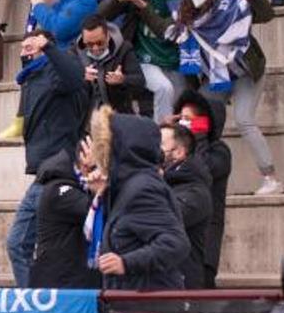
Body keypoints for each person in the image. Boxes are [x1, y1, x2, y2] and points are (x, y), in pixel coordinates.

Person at [166, 0, 284, 194]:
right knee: (195, 118)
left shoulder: (233, 7)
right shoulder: (188, 15)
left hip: (245, 73)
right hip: (216, 77)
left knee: (244, 120)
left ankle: (270, 177)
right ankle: (195, 170)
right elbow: (166, 30)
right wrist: (142, 7)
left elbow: (267, 14)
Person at [6, 30, 87, 287]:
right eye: (23, 48)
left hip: (58, 174)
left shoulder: (57, 72)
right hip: (42, 174)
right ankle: (34, 301)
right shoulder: (32, 78)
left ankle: (37, 304)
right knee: (18, 244)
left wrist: (51, 49)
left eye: (31, 47)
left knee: (30, 246)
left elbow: (75, 78)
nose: (25, 52)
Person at [95, 112, 190, 290]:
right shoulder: (127, 186)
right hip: (131, 302)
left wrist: (126, 263)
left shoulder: (142, 188)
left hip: (148, 306)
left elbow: (175, 243)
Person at [96, 0, 187, 122]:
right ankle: (161, 138)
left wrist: (142, 5)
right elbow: (101, 16)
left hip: (175, 61)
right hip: (144, 60)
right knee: (164, 88)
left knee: (182, 105)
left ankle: (171, 140)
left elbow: (166, 30)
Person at [172, 90, 231, 288]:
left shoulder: (220, 152)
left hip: (205, 243)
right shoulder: (177, 151)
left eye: (189, 119)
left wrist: (198, 136)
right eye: (181, 118)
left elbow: (202, 169)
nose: (183, 124)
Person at [30, 138, 103, 288]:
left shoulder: (78, 186)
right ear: (83, 159)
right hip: (59, 286)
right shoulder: (60, 190)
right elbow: (94, 210)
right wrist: (96, 173)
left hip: (77, 281)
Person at [160, 123, 213, 289]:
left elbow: (162, 221)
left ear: (179, 152)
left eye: (160, 144)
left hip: (181, 288)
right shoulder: (165, 184)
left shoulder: (196, 193)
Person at [73, 15, 146, 115]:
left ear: (108, 36)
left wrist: (123, 79)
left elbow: (140, 81)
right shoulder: (74, 53)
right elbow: (61, 83)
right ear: (83, 40)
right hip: (86, 116)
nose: (95, 48)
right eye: (89, 44)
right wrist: (80, 76)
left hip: (117, 114)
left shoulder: (124, 49)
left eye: (100, 43)